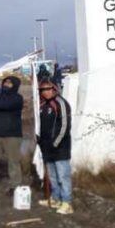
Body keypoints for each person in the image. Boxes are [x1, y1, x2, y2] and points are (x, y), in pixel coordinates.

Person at [37, 80, 73, 215]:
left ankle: (67, 203)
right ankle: (56, 198)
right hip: (46, 147)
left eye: (48, 89)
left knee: (63, 175)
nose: (45, 92)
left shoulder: (61, 103)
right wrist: (39, 140)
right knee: (52, 175)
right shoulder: (41, 104)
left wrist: (56, 142)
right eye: (42, 90)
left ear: (54, 89)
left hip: (60, 147)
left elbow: (65, 125)